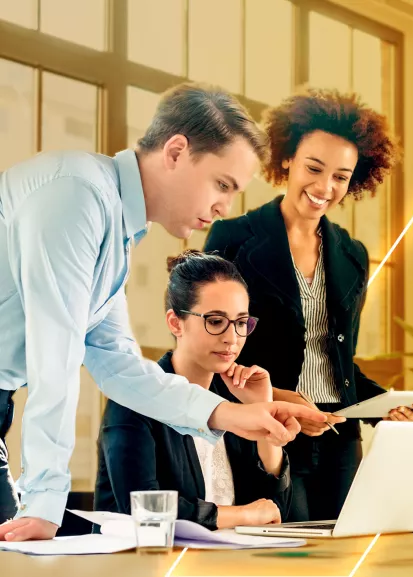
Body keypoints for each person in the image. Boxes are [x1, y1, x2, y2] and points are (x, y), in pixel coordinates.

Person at [0, 82, 325, 541]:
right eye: (222, 184)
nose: (224, 206)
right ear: (175, 151)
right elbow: (54, 355)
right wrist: (45, 499)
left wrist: (230, 416)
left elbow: (120, 368)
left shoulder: (116, 227)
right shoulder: (76, 197)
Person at [204, 88, 413, 522]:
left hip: (339, 440)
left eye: (341, 177)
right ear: (287, 159)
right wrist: (284, 399)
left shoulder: (351, 255)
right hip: (267, 429)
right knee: (278, 557)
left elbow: (340, 363)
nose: (325, 187)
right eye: (314, 168)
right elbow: (214, 351)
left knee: (339, 557)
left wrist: (383, 404)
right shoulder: (233, 239)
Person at [95, 250, 292, 529]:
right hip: (143, 563)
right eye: (215, 321)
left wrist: (263, 411)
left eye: (240, 323)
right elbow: (142, 508)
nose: (232, 338)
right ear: (176, 323)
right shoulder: (134, 395)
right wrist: (242, 515)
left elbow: (275, 510)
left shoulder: (235, 398)